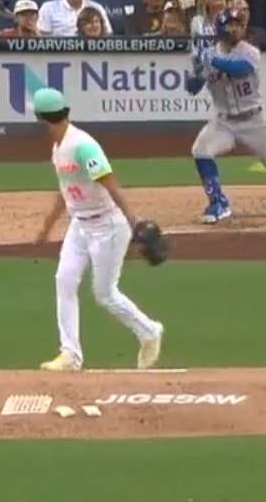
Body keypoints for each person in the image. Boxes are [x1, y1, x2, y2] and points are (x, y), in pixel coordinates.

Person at [30, 88, 166, 373]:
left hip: (107, 225)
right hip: (79, 224)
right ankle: (70, 355)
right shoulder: (59, 147)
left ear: (41, 117)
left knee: (105, 294)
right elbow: (66, 189)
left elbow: (109, 181)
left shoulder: (83, 145)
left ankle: (149, 331)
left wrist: (132, 221)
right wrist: (48, 225)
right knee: (64, 280)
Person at [185, 9, 266, 224]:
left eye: (238, 24)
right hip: (223, 121)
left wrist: (210, 60)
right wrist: (197, 70)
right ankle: (218, 202)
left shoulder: (249, 51)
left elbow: (240, 69)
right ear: (220, 28)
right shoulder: (210, 54)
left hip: (254, 121)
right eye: (230, 24)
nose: (235, 29)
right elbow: (192, 89)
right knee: (201, 150)